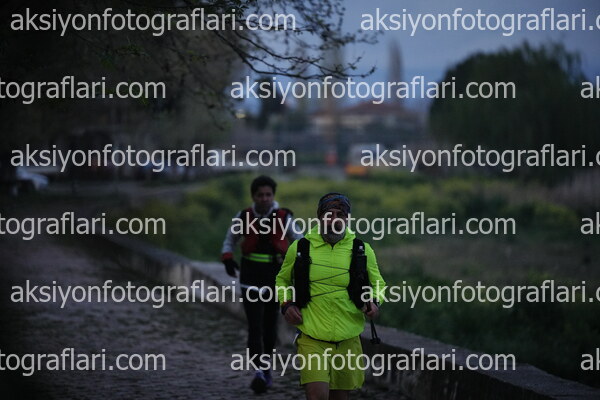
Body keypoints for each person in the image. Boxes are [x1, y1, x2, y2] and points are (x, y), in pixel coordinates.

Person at [276, 193, 386, 400]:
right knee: (317, 396)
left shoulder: (362, 250)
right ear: (319, 217)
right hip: (312, 336)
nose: (334, 220)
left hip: (348, 338)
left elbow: (379, 283)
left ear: (347, 218)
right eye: (329, 214)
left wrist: (375, 301)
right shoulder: (300, 248)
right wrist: (286, 304)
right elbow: (282, 281)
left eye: (340, 215)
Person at [221, 175, 302, 394]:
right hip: (250, 277)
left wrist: (299, 263)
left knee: (269, 326)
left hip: (275, 277)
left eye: (268, 195)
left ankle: (266, 368)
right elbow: (230, 240)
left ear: (273, 196)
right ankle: (258, 371)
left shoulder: (284, 217)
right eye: (260, 195)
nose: (264, 199)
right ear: (253, 196)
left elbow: (299, 241)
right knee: (254, 326)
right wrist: (227, 258)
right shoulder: (243, 216)